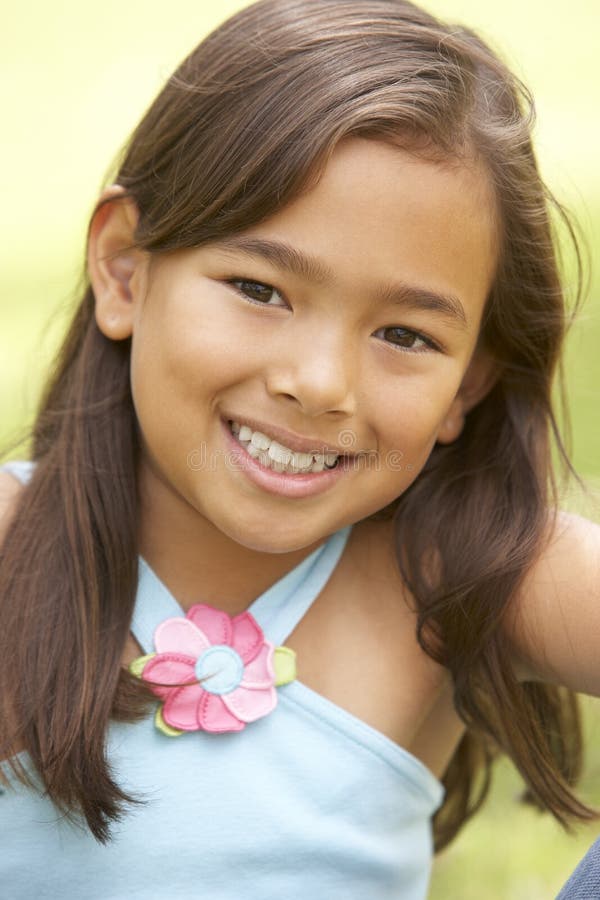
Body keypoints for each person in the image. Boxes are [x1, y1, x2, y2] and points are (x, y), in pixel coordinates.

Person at [0, 0, 598, 896]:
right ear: (125, 267)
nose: (319, 384)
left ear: (467, 385)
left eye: (404, 336)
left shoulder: (454, 573)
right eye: (259, 288)